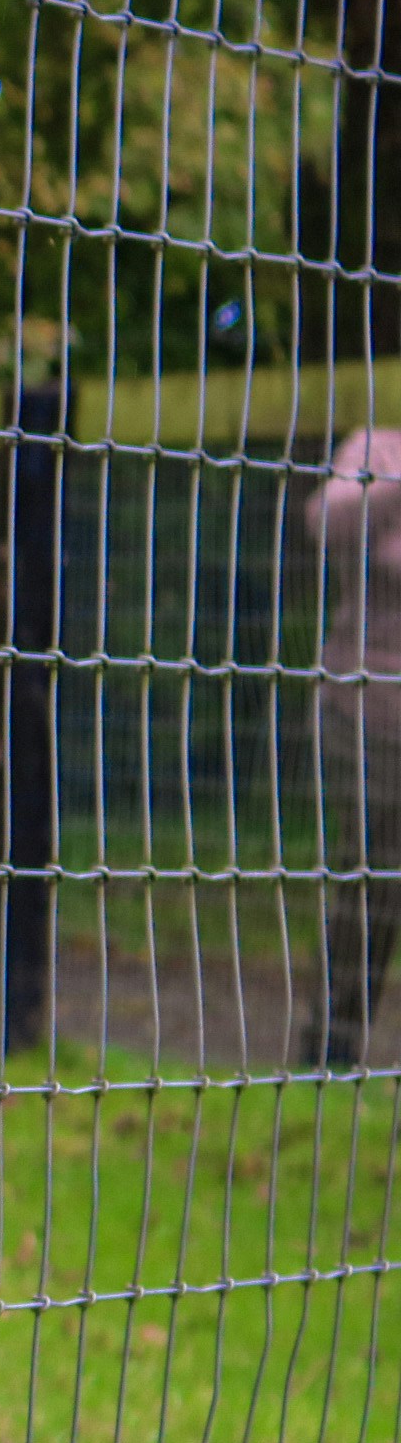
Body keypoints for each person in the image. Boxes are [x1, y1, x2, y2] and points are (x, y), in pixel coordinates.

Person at [308, 427, 401, 1068]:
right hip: (365, 713)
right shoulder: (377, 448)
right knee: (369, 881)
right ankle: (332, 1045)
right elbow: (325, 522)